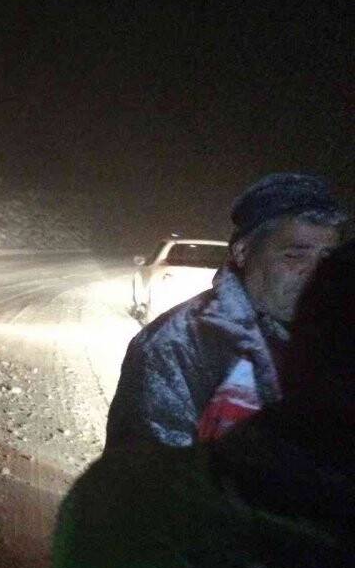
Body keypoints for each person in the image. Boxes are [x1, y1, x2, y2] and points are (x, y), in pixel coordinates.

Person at [43, 240, 355, 568]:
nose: (306, 270)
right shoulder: (174, 342)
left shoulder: (119, 497)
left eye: (321, 258)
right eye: (294, 255)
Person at [105, 173, 346, 449]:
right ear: (242, 252)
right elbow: (147, 478)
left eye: (327, 258)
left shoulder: (338, 337)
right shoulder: (176, 345)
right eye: (294, 255)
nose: (316, 272)